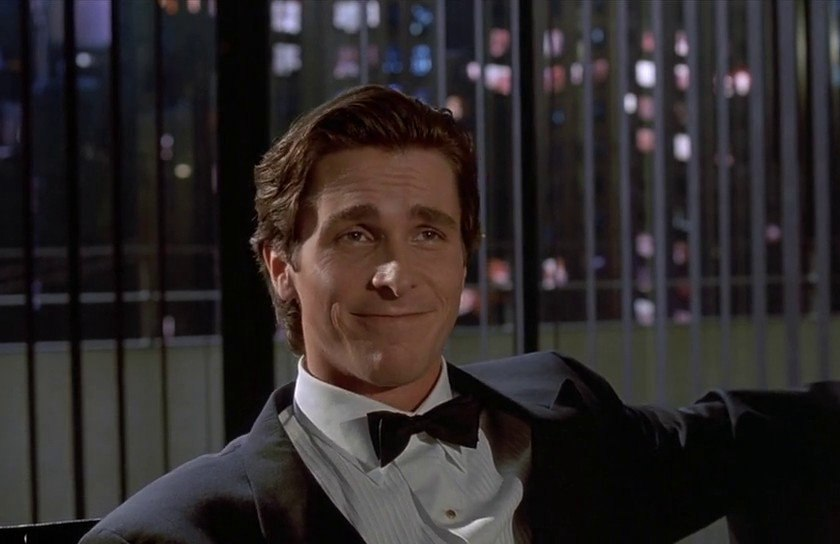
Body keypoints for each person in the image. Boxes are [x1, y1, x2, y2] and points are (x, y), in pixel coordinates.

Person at [82, 85, 839, 543]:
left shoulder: (571, 420)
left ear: (464, 257)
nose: (395, 276)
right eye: (355, 235)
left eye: (428, 234)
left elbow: (768, 435)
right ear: (282, 268)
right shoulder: (176, 533)